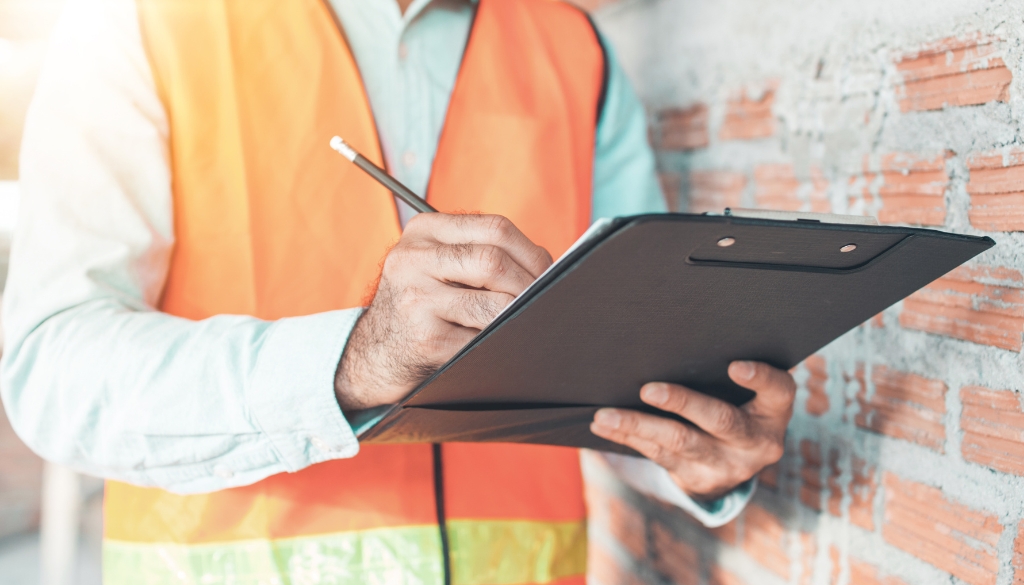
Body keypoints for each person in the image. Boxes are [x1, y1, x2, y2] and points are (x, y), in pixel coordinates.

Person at [1, 0, 797, 582]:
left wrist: (699, 452)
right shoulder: (142, 23)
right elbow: (52, 371)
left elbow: (628, 370)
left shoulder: (576, 52)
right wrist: (351, 361)